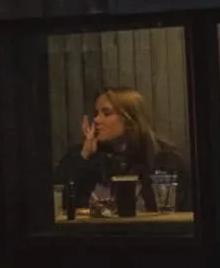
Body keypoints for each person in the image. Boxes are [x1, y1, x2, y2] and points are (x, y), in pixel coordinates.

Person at [55, 85, 189, 213]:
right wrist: (84, 156)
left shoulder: (164, 159)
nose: (96, 119)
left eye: (106, 113)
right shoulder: (88, 155)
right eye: (96, 113)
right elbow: (60, 200)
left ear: (129, 119)